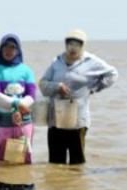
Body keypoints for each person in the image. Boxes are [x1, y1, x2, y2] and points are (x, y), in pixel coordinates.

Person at [39, 29, 117, 165]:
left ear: (83, 45)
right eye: (70, 44)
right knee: (55, 164)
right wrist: (57, 86)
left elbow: (112, 74)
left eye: (77, 45)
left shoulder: (91, 61)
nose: (73, 48)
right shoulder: (56, 62)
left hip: (77, 121)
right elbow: (43, 84)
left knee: (77, 163)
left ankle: (77, 186)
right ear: (65, 44)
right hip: (56, 120)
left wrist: (94, 88)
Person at [0, 33, 38, 163]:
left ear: (18, 49)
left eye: (12, 47)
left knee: (22, 164)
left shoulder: (26, 71)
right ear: (1, 49)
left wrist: (19, 106)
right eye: (5, 47)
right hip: (1, 124)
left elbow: (31, 95)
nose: (9, 51)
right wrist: (17, 105)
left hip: (23, 124)